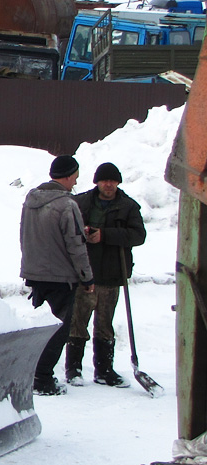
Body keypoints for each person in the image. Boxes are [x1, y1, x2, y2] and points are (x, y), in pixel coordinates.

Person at [65, 162, 147, 387]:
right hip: (84, 274)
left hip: (111, 274)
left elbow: (138, 236)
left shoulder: (128, 207)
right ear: (97, 182)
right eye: (104, 181)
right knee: (77, 321)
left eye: (112, 181)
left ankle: (104, 369)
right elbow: (66, 229)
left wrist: (106, 235)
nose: (108, 185)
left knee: (104, 324)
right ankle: (73, 369)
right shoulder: (80, 202)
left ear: (118, 182)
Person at [20, 154, 95, 396]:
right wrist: (87, 277)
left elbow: (27, 235)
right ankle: (42, 378)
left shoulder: (31, 200)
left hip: (35, 272)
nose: (75, 182)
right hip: (61, 277)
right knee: (58, 328)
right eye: (75, 176)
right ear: (69, 174)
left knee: (39, 327)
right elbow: (75, 245)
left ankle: (30, 372)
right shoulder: (67, 205)